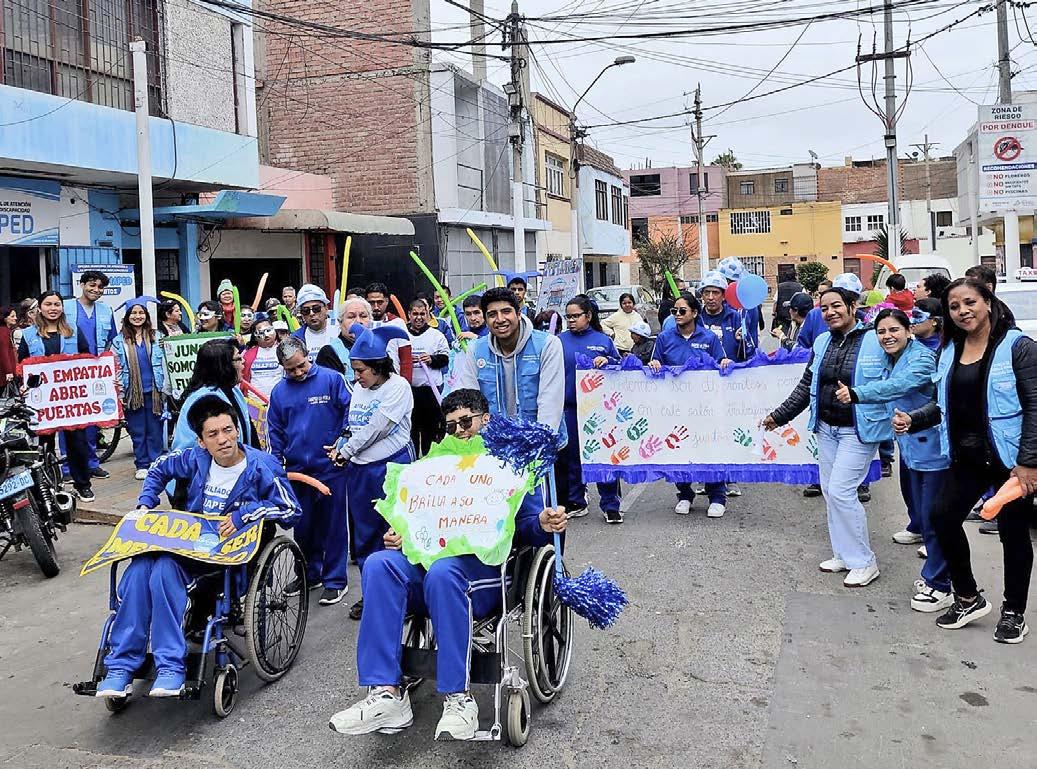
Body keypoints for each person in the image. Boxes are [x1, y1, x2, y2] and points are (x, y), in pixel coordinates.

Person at [328, 388, 567, 740]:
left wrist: (543, 523)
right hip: (433, 564)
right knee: (380, 564)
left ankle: (458, 697)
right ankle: (386, 693)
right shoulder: (434, 464)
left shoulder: (508, 464)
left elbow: (529, 525)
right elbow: (415, 518)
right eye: (451, 425)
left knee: (443, 573)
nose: (459, 431)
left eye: (466, 422)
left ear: (486, 419)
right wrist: (401, 533)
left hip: (485, 571)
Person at [93, 396, 301, 700]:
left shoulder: (261, 466)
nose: (223, 439)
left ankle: (170, 665)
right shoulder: (195, 457)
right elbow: (159, 468)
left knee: (163, 572)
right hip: (186, 545)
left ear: (237, 430)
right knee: (139, 569)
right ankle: (122, 666)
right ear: (202, 442)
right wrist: (144, 504)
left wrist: (245, 514)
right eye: (213, 434)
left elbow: (291, 509)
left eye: (228, 430)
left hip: (227, 557)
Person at [897, 277, 1037, 642]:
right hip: (967, 457)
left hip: (1010, 460)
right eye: (954, 307)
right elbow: (943, 405)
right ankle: (968, 597)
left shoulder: (1018, 347)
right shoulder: (949, 350)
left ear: (987, 302)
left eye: (970, 302)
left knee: (1013, 534)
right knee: (942, 517)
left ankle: (1014, 612)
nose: (963, 311)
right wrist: (915, 419)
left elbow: (1035, 406)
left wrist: (1028, 462)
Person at [762, 284, 928, 588]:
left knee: (841, 491)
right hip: (826, 428)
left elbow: (904, 369)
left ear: (853, 306)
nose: (830, 312)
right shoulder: (822, 341)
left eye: (836, 305)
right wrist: (780, 415)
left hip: (859, 429)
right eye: (824, 308)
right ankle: (843, 554)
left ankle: (864, 562)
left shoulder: (876, 338)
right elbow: (807, 384)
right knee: (830, 491)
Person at [834, 308, 950, 611]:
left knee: (935, 518)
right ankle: (937, 577)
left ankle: (941, 585)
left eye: (894, 330)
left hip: (934, 450)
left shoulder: (921, 359)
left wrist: (856, 394)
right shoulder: (892, 357)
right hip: (911, 449)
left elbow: (898, 386)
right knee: (922, 512)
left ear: (909, 331)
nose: (887, 336)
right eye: (881, 332)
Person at [331, 325, 415, 621]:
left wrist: (346, 451)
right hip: (360, 470)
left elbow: (378, 427)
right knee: (365, 537)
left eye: (361, 370)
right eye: (354, 370)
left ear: (378, 367)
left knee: (394, 533)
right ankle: (372, 594)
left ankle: (403, 593)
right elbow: (355, 423)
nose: (356, 376)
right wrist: (341, 442)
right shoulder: (360, 388)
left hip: (391, 467)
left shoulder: (398, 387)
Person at [268, 337, 352, 606]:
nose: (298, 372)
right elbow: (275, 431)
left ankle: (335, 581)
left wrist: (343, 441)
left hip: (330, 467)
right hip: (296, 470)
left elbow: (351, 410)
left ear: (308, 356)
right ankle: (309, 574)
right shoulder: (279, 392)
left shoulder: (332, 380)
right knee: (303, 527)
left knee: (333, 526)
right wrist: (276, 464)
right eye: (290, 369)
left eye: (301, 365)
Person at [649, 291, 732, 518]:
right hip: (675, 408)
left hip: (706, 408)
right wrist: (654, 363)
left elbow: (721, 363)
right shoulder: (664, 338)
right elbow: (656, 363)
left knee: (709, 449)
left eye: (682, 310)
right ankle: (684, 494)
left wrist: (724, 362)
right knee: (679, 450)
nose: (677, 314)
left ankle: (717, 496)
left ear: (694, 313)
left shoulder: (709, 338)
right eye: (674, 311)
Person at [453, 286, 565, 445]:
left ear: (518, 314)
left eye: (506, 312)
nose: (500, 319)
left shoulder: (547, 344)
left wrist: (538, 445)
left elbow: (550, 403)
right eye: (492, 314)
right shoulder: (476, 349)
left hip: (539, 442)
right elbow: (469, 398)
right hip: (494, 443)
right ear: (486, 318)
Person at [18, 291, 94, 502]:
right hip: (43, 401)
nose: (53, 308)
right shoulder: (28, 334)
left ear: (62, 307)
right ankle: (48, 487)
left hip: (71, 400)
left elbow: (87, 359)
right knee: (45, 445)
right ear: (40, 308)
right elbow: (22, 364)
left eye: (57, 304)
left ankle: (83, 484)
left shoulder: (73, 331)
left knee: (77, 443)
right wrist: (23, 386)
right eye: (48, 304)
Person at [558, 294, 623, 522]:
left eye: (576, 316)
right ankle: (576, 500)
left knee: (604, 455)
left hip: (599, 411)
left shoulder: (603, 341)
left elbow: (620, 367)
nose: (571, 320)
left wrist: (609, 362)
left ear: (588, 316)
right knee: (572, 457)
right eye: (568, 317)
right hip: (569, 408)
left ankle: (610, 504)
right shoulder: (558, 341)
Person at [64, 270, 118, 480]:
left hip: (94, 373)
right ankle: (68, 467)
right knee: (68, 420)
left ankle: (92, 463)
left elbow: (110, 341)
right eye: (92, 285)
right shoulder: (66, 307)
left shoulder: (106, 310)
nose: (96, 290)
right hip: (69, 373)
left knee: (92, 418)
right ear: (82, 285)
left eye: (100, 287)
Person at [110, 299, 166, 480]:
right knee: (138, 431)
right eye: (133, 313)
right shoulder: (119, 341)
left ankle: (156, 463)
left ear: (146, 316)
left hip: (155, 391)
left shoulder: (157, 336)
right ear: (127, 317)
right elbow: (116, 368)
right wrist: (119, 393)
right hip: (132, 393)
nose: (137, 316)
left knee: (155, 430)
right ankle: (142, 464)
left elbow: (167, 361)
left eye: (141, 313)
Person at [170, 339, 252, 455]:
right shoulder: (203, 401)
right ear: (223, 366)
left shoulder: (234, 390)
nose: (243, 362)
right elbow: (187, 450)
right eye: (238, 358)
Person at [318, 297, 412, 384]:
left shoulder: (377, 348)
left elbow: (390, 382)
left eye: (363, 316)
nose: (358, 321)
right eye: (351, 317)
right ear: (340, 322)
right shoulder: (329, 351)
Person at [406, 299, 449, 456]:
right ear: (409, 314)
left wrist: (432, 359)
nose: (419, 318)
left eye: (422, 314)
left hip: (430, 391)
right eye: (415, 314)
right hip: (409, 391)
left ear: (428, 315)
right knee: (411, 430)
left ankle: (429, 459)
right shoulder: (402, 335)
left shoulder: (436, 335)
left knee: (430, 431)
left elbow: (445, 359)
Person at [242, 316, 283, 398]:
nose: (266, 335)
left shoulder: (284, 350)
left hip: (279, 399)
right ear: (255, 335)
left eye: (268, 330)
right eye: (261, 332)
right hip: (254, 401)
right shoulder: (247, 354)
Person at [291, 284, 338, 356]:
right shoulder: (295, 339)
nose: (311, 313)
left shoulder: (340, 330)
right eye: (306, 310)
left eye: (316, 308)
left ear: (326, 308)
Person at [0, 305, 17, 382]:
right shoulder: (4, 332)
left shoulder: (6, 331)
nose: (15, 318)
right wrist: (9, 371)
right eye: (12, 316)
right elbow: (4, 352)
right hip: (5, 374)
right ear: (5, 318)